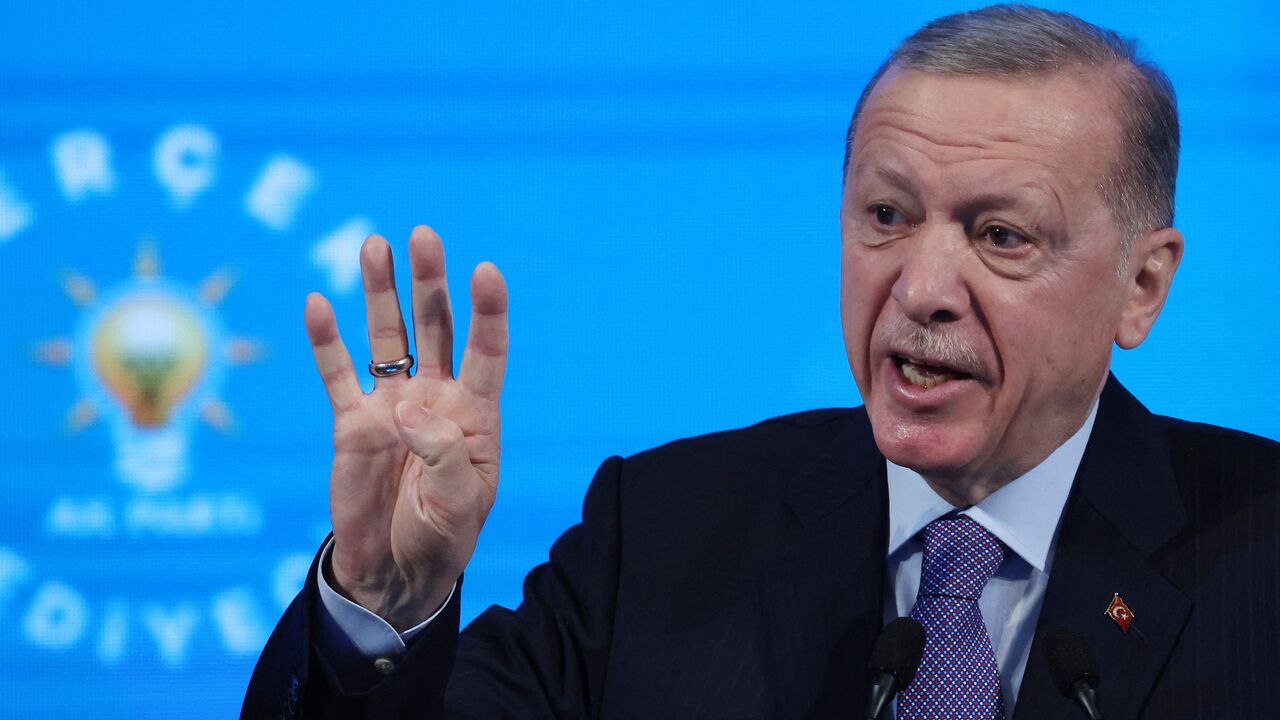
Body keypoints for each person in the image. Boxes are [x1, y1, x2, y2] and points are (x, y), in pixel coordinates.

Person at [243, 5, 1280, 718]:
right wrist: (383, 602)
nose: (918, 287)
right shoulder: (661, 532)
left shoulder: (1259, 557)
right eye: (884, 215)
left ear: (1140, 287)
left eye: (999, 236)